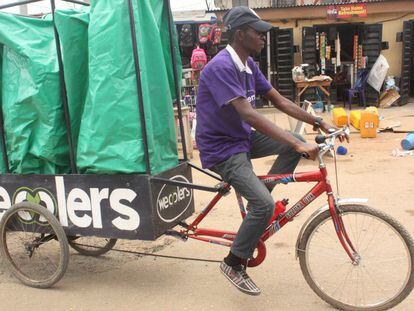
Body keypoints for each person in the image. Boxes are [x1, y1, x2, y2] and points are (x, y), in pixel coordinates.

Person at [195, 6, 344, 296]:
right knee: (266, 201)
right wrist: (297, 143)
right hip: (222, 148)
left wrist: (317, 121)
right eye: (258, 32)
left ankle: (259, 200)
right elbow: (249, 114)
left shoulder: (249, 65)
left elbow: (280, 102)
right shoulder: (221, 67)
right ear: (241, 35)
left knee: (291, 140)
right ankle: (234, 262)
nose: (264, 36)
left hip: (241, 138)